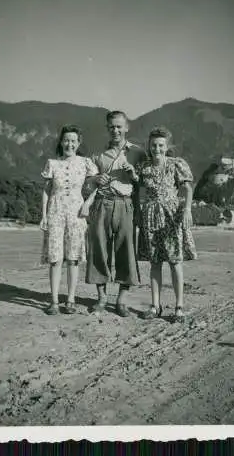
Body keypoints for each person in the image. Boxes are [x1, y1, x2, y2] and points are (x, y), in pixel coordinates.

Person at [85, 110, 146, 317]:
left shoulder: (138, 153)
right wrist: (95, 180)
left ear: (127, 127)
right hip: (101, 204)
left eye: (119, 126)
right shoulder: (97, 155)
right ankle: (101, 298)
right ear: (107, 128)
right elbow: (87, 183)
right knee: (99, 250)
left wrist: (135, 176)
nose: (116, 130)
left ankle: (122, 300)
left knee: (126, 251)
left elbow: (146, 185)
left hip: (126, 205)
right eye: (112, 126)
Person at [136, 127, 197, 323]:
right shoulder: (144, 167)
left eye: (161, 145)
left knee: (175, 262)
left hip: (172, 216)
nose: (157, 149)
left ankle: (179, 306)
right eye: (153, 145)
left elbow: (187, 188)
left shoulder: (176, 164)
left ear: (167, 146)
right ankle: (155, 305)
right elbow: (138, 191)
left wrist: (187, 210)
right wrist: (139, 212)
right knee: (154, 263)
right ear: (149, 146)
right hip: (151, 216)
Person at [40, 125, 98, 315]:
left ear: (78, 143)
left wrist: (88, 203)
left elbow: (98, 184)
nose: (69, 144)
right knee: (55, 259)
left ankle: (71, 300)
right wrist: (44, 216)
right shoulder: (52, 163)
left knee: (73, 259)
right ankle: (54, 301)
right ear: (61, 142)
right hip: (55, 212)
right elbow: (46, 191)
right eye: (66, 140)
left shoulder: (85, 163)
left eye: (73, 141)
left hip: (76, 214)